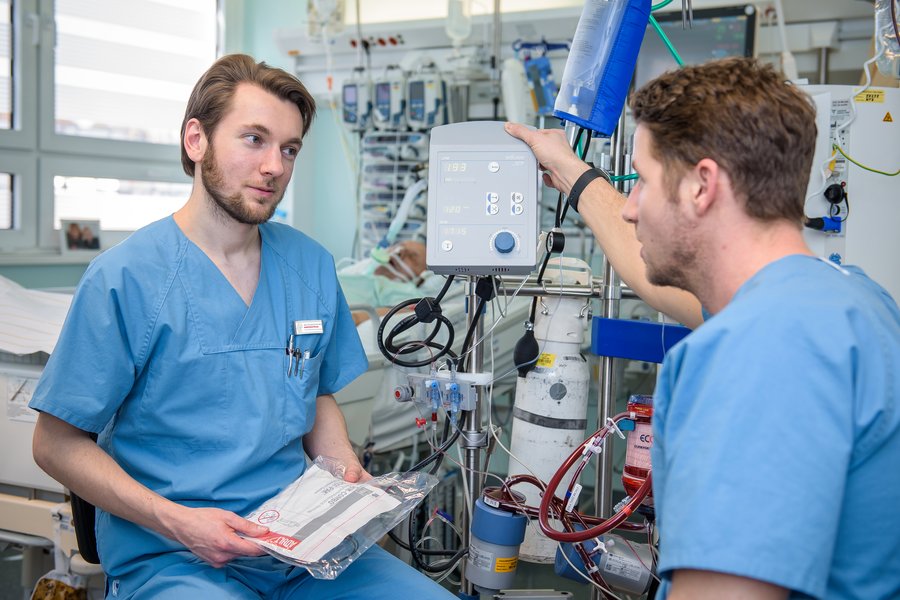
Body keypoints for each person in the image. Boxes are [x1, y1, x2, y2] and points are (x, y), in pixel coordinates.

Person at [30, 54, 455, 599]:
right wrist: (177, 522)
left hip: (301, 550)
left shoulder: (310, 265)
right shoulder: (126, 278)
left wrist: (343, 466)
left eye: (289, 148)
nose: (275, 165)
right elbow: (55, 443)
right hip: (176, 557)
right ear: (196, 140)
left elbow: (315, 391)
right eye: (253, 139)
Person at [507, 57, 900, 599]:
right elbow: (649, 270)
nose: (631, 209)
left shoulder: (750, 352)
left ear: (702, 186)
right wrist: (572, 172)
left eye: (643, 181)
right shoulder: (849, 300)